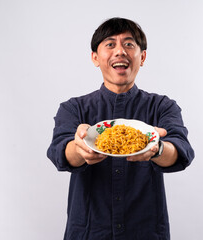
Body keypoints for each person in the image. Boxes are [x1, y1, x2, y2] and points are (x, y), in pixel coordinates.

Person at [47, 17, 195, 240]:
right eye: (110, 44)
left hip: (145, 232)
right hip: (88, 232)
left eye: (129, 44)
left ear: (142, 56)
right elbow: (60, 151)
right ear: (95, 58)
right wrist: (80, 149)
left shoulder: (162, 106)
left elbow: (181, 151)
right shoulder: (73, 108)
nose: (120, 51)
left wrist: (158, 147)